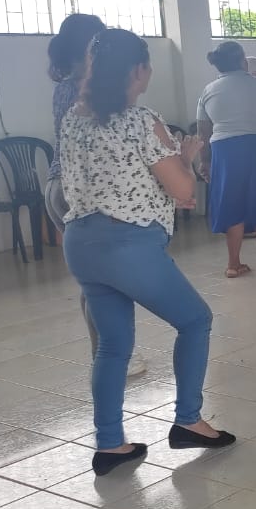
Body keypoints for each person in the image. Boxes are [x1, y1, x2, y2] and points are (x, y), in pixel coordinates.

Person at [58, 29, 234, 476]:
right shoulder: (141, 120)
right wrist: (187, 157)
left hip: (81, 243)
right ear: (137, 71)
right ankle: (189, 420)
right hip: (127, 244)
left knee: (112, 346)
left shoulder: (74, 117)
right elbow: (182, 190)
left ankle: (110, 444)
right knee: (194, 320)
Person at [43, 15, 148, 379]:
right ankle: (113, 355)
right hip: (82, 192)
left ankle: (103, 352)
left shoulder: (66, 87)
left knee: (94, 281)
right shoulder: (88, 91)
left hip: (59, 187)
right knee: (108, 281)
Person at [196, 41, 256, 277]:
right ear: (242, 61)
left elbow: (203, 130)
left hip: (224, 149)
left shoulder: (208, 90)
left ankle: (233, 264)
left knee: (231, 201)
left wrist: (204, 160)